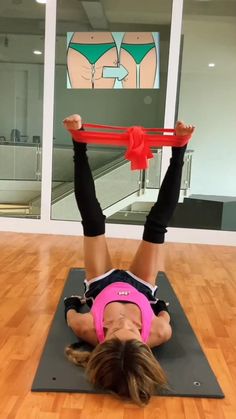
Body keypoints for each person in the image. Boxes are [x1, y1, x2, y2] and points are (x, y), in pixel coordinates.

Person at [63, 115, 195, 406]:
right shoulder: (160, 332)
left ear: (104, 341)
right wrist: (160, 307)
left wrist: (72, 303)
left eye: (113, 329)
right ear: (142, 344)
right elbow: (163, 314)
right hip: (140, 287)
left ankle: (78, 141)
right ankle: (181, 148)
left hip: (101, 285)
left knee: (93, 221)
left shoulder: (86, 328)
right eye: (132, 329)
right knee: (156, 225)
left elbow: (70, 312)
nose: (122, 322)